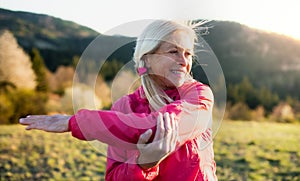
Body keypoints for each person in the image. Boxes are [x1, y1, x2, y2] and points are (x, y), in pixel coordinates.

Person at [20, 20, 218, 180]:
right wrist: (143, 165)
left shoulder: (199, 95)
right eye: (173, 51)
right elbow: (115, 177)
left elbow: (157, 127)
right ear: (146, 59)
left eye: (188, 53)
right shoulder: (123, 107)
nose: (184, 61)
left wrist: (75, 122)